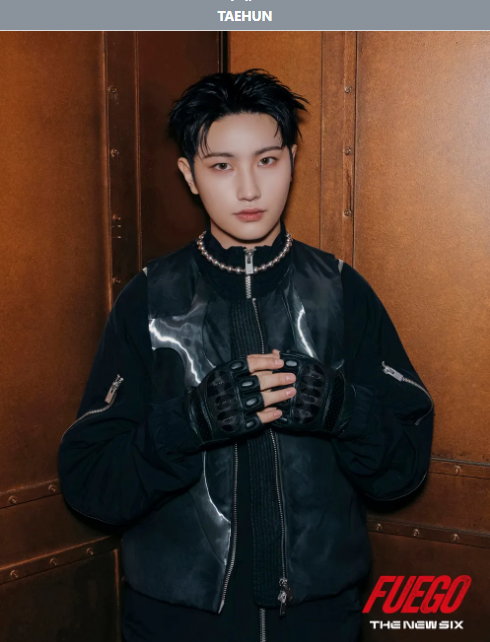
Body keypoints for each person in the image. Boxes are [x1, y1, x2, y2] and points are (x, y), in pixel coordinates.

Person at [58, 68, 434, 642]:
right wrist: (188, 423)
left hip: (318, 619)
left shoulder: (341, 290)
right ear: (189, 174)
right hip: (177, 621)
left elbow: (403, 472)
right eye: (221, 166)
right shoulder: (149, 298)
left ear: (292, 160)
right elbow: (91, 483)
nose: (249, 189)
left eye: (267, 160)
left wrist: (344, 410)